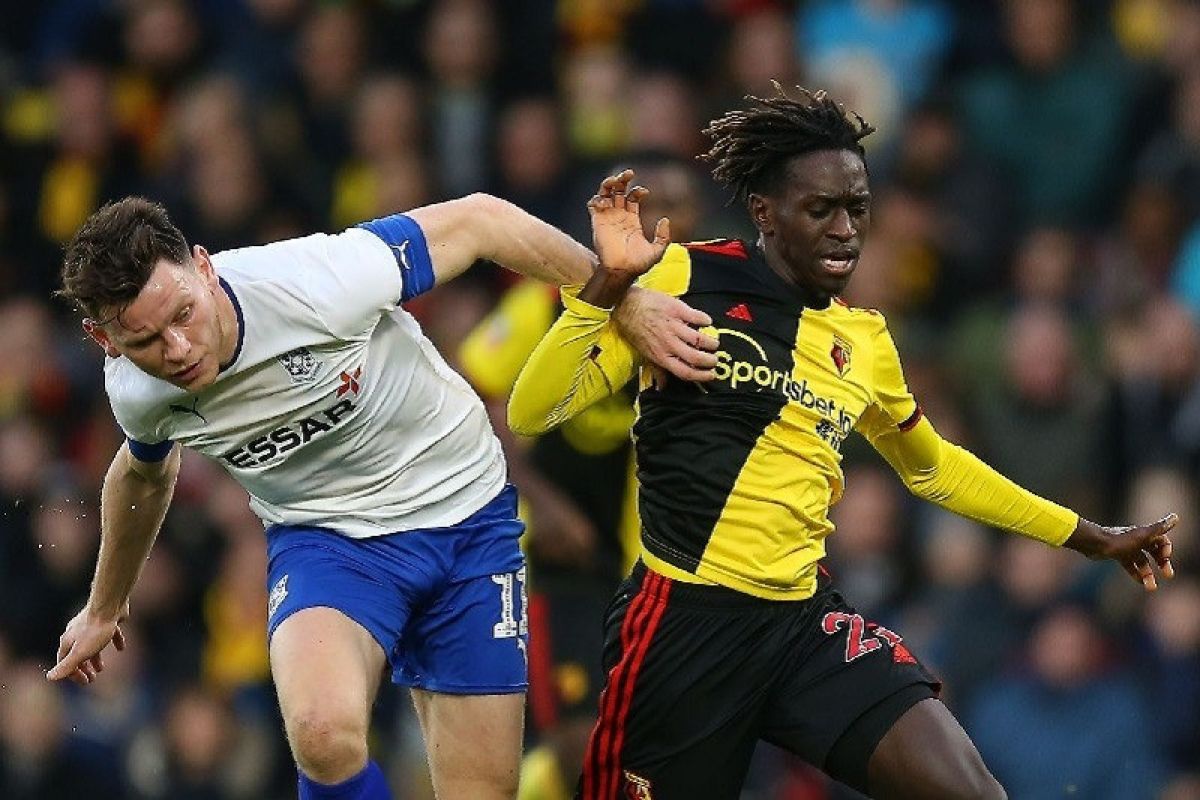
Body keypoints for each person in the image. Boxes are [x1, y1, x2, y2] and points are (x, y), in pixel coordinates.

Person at [507, 87, 1177, 800]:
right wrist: (609, 284)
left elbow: (937, 471)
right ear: (765, 212)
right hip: (682, 629)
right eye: (819, 209)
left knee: (971, 791)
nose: (844, 230)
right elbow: (531, 409)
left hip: (802, 625)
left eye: (857, 209)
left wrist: (1084, 535)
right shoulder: (683, 277)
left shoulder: (864, 341)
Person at [46, 192, 717, 800]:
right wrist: (105, 607)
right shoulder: (138, 390)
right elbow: (142, 472)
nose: (180, 348)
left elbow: (482, 220)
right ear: (105, 341)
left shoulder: (320, 280)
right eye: (145, 341)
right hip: (327, 544)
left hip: (468, 521)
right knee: (321, 731)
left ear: (204, 266)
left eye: (183, 313)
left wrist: (618, 301)